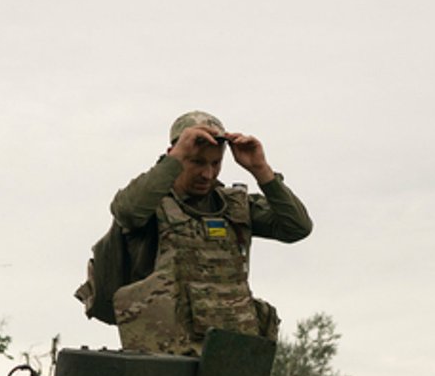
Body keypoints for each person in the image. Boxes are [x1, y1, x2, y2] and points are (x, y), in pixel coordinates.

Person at [97, 111, 311, 357]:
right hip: (165, 355)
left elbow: (297, 227)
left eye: (215, 163)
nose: (207, 174)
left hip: (227, 354)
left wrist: (261, 170)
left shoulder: (234, 206)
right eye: (197, 162)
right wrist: (176, 158)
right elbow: (126, 211)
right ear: (174, 155)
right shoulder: (151, 204)